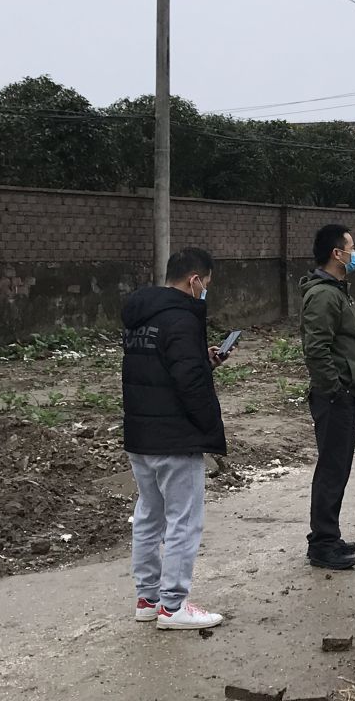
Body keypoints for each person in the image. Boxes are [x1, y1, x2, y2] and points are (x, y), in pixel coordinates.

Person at [120, 247, 227, 630]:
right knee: (184, 521)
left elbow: (162, 368)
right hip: (175, 437)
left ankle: (148, 599)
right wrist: (209, 427)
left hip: (141, 435)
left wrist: (201, 359)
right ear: (194, 280)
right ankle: (173, 606)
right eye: (206, 284)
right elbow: (189, 382)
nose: (205, 291)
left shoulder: (141, 316)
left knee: (149, 517)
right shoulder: (182, 319)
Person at [300, 224, 355, 569]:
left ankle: (328, 535)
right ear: (336, 253)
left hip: (344, 392)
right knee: (331, 468)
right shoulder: (324, 295)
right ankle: (323, 544)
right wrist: (335, 389)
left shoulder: (338, 291)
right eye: (351, 248)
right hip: (334, 396)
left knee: (338, 467)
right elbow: (316, 349)